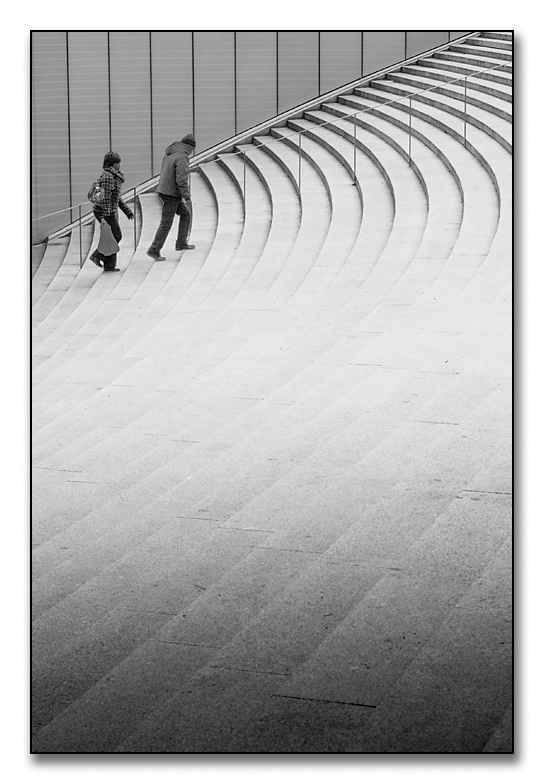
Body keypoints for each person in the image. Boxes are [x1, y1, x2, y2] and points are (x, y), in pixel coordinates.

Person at [147, 133, 196, 261]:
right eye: (192, 149)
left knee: (185, 214)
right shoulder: (182, 156)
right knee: (166, 223)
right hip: (171, 193)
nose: (191, 152)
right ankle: (154, 249)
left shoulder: (170, 153)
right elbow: (182, 179)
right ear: (188, 146)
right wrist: (187, 196)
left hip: (165, 190)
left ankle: (181, 242)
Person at [90, 152, 134, 272]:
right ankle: (97, 255)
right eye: (117, 163)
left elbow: (116, 197)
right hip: (104, 211)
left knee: (111, 236)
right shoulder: (108, 177)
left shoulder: (113, 176)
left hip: (107, 210)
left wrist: (127, 211)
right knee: (116, 235)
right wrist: (107, 212)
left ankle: (109, 265)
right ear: (113, 164)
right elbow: (106, 197)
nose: (119, 165)